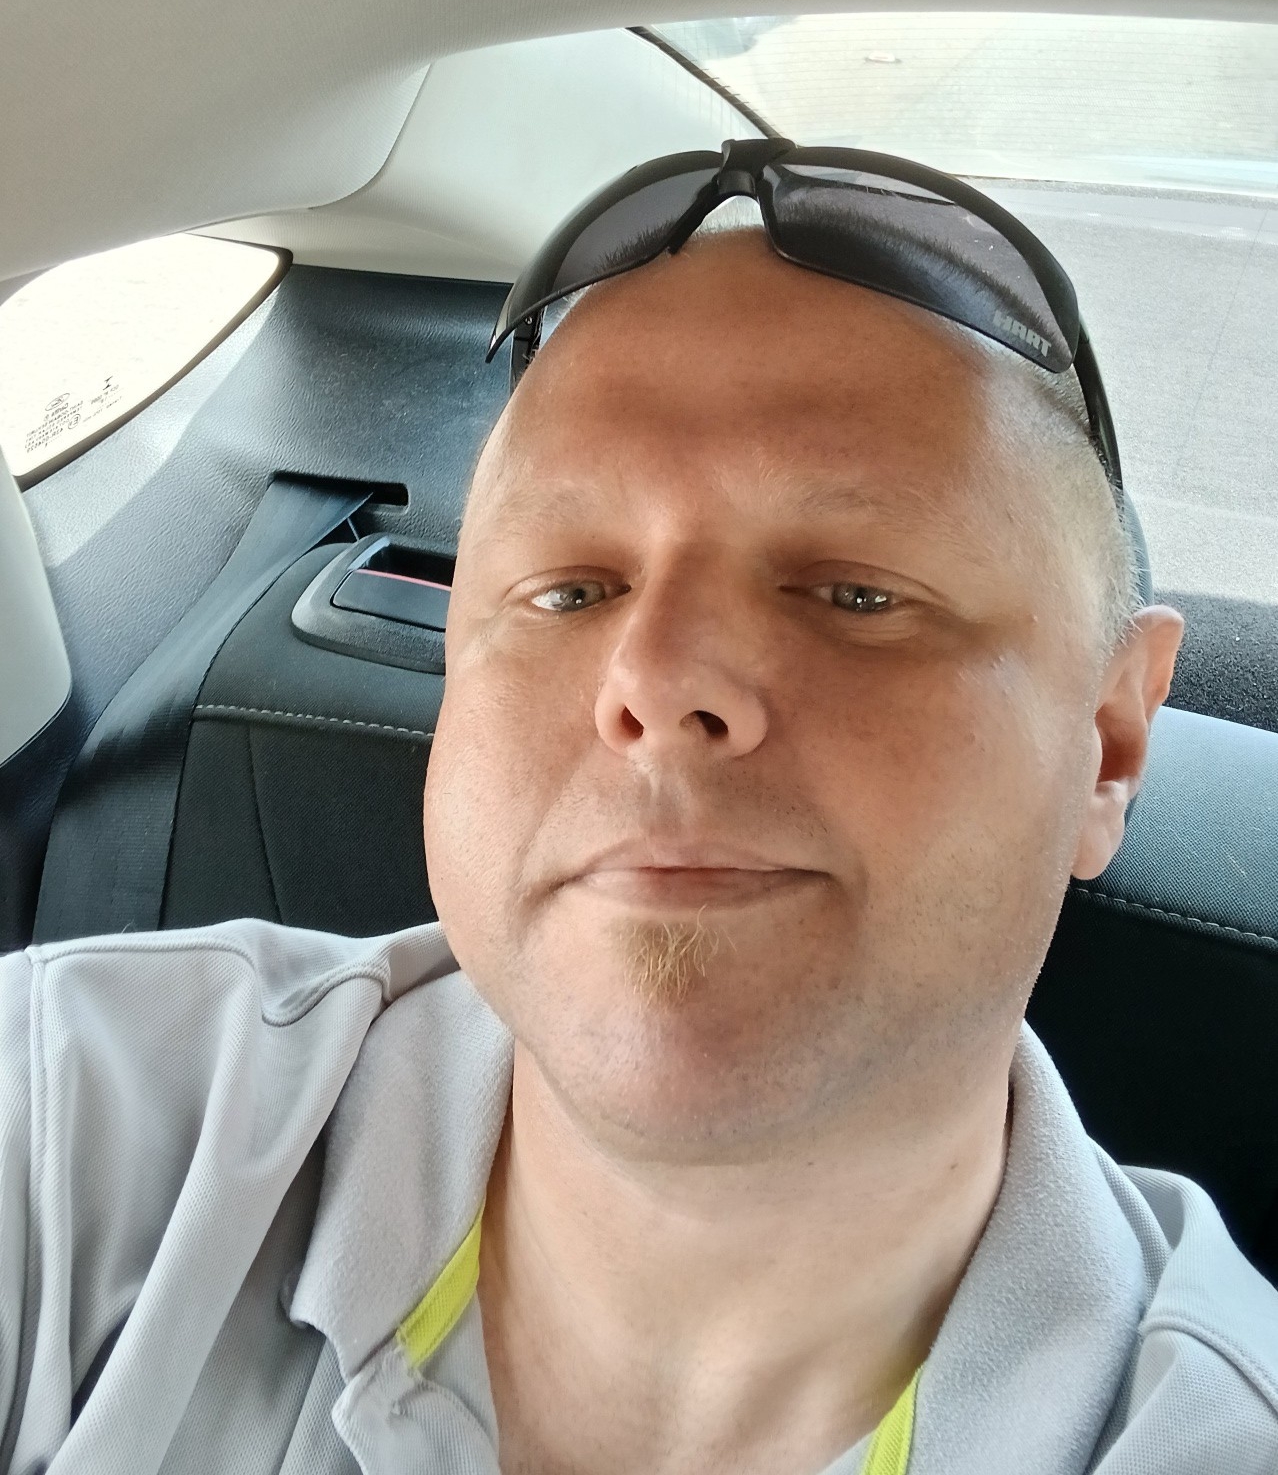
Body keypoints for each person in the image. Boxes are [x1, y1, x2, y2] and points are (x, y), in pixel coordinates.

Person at [3, 150, 1277, 1475]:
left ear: (1108, 742)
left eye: (855, 594)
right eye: (569, 592)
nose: (658, 682)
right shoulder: (80, 1127)